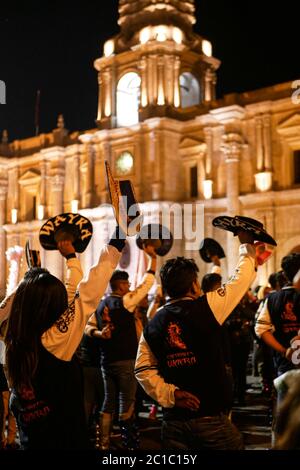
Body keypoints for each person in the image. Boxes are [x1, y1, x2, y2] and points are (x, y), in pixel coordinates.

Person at [135, 230, 258, 450]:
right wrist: (246, 245)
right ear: (193, 286)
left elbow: (143, 368)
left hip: (172, 421)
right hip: (210, 418)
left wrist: (170, 395)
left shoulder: (153, 323)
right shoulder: (207, 307)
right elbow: (241, 279)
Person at [4, 228, 124, 450]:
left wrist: (31, 277)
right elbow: (85, 294)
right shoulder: (55, 340)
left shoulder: (13, 338)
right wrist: (118, 239)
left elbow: (73, 293)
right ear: (52, 307)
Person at [85, 243, 157, 450]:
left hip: (106, 361)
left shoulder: (99, 305)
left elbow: (88, 329)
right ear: (121, 285)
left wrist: (100, 334)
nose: (129, 287)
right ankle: (129, 445)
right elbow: (147, 284)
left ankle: (104, 443)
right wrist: (153, 259)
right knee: (127, 402)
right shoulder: (125, 302)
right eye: (126, 284)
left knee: (108, 403)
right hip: (125, 360)